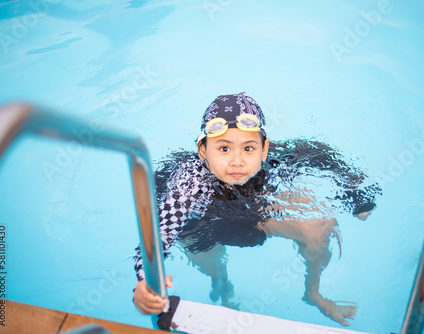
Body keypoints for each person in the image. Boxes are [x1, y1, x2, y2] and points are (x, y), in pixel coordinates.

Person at [133, 92, 380, 326]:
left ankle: (313, 293)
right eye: (224, 148)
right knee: (214, 265)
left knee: (321, 226)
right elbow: (159, 234)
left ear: (264, 149)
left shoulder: (275, 158)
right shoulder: (188, 183)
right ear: (202, 151)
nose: (237, 161)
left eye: (248, 148)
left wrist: (358, 199)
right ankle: (222, 287)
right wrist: (146, 281)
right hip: (202, 226)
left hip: (251, 212)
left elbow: (320, 154)